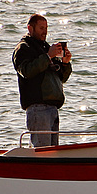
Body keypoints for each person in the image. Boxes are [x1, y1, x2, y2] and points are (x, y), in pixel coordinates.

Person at [12, 14, 72, 147]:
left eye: (46, 28)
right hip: (38, 108)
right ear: (30, 28)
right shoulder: (23, 48)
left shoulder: (46, 48)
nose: (44, 31)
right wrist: (48, 56)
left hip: (52, 108)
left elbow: (62, 78)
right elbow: (26, 71)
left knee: (51, 153)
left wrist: (65, 64)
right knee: (42, 152)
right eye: (41, 28)